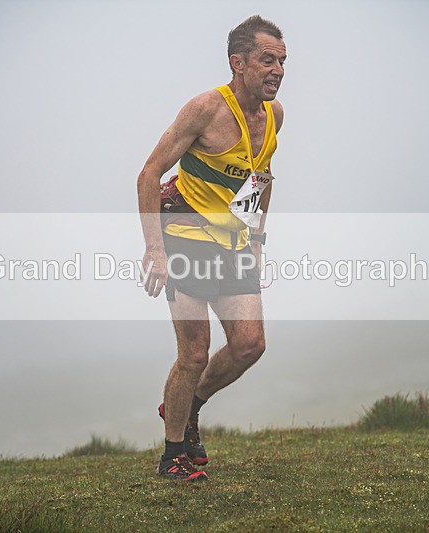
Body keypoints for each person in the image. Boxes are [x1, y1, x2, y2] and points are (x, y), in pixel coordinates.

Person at [137, 15, 286, 481]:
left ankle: (186, 408)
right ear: (237, 63)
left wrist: (256, 240)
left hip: (232, 241)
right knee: (195, 353)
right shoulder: (205, 109)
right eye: (267, 60)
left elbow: (258, 180)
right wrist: (154, 250)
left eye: (282, 61)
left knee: (248, 345)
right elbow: (148, 174)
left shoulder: (275, 116)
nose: (277, 70)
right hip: (182, 235)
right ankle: (172, 456)